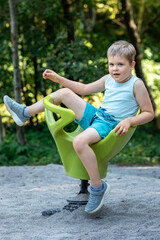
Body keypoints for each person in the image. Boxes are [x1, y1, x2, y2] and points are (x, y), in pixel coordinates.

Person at [4, 40, 154, 214]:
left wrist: (129, 121)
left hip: (110, 124)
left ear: (132, 65)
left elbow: (149, 113)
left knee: (79, 142)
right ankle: (25, 113)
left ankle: (98, 188)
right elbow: (83, 89)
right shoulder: (108, 80)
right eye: (111, 64)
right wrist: (58, 78)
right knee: (64, 93)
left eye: (120, 64)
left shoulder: (136, 84)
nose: (114, 69)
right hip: (97, 115)